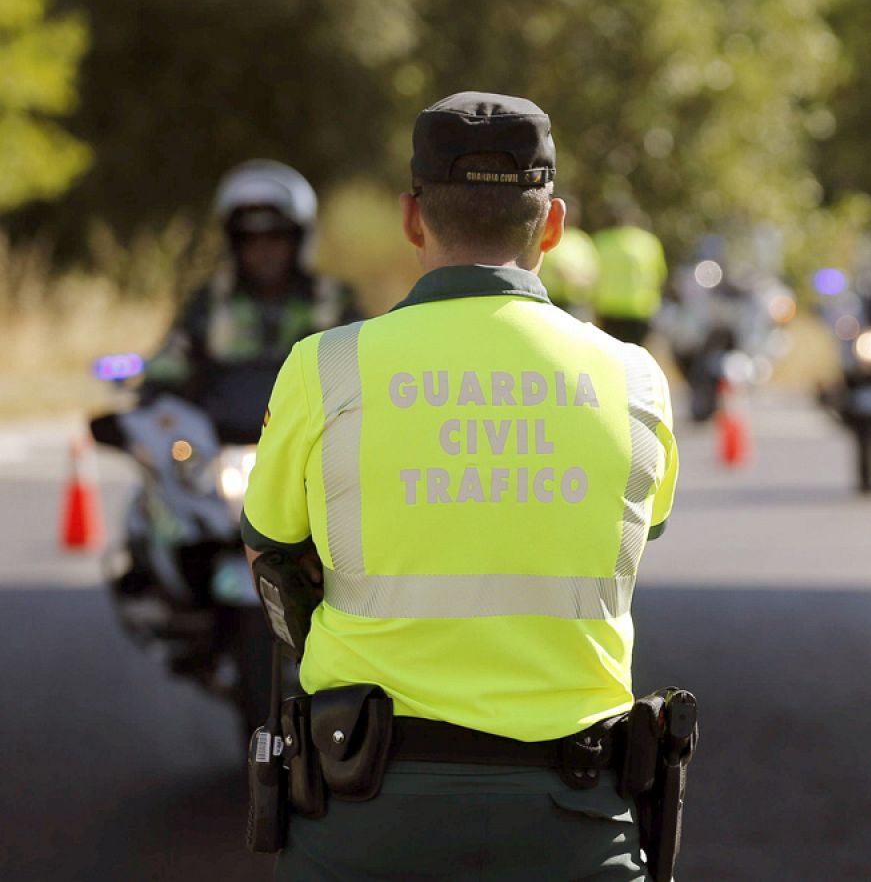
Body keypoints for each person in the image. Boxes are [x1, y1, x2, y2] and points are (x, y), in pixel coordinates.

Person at [241, 92, 680, 880]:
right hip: (573, 813)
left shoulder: (326, 365)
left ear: (413, 219)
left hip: (367, 809)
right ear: (552, 226)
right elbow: (643, 532)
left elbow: (270, 544)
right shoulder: (634, 378)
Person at [144, 159, 361, 441]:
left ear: (298, 239)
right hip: (217, 456)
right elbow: (170, 362)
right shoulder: (209, 304)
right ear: (234, 243)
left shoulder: (332, 300)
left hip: (313, 450)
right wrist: (152, 394)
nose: (264, 250)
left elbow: (364, 367)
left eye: (276, 236)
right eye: (250, 239)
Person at [592, 222, 668, 345]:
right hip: (639, 308)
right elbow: (660, 275)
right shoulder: (648, 242)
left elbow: (593, 275)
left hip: (609, 307)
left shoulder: (601, 240)